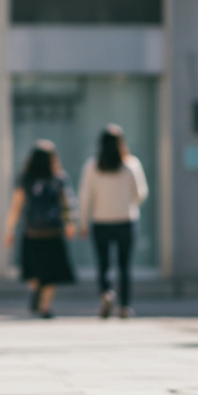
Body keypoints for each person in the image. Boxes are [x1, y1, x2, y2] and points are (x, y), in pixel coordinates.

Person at [77, 124, 149, 319]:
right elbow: (141, 193)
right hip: (126, 220)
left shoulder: (92, 166)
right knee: (125, 266)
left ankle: (106, 293)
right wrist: (129, 204)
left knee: (103, 264)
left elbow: (85, 196)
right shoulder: (131, 165)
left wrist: (83, 222)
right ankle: (125, 306)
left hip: (101, 220)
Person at [3, 141, 77, 318]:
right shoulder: (58, 178)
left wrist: (9, 230)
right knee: (51, 274)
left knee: (35, 270)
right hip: (52, 231)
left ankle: (37, 289)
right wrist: (70, 223)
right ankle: (45, 307)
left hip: (32, 232)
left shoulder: (26, 179)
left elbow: (16, 206)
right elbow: (68, 203)